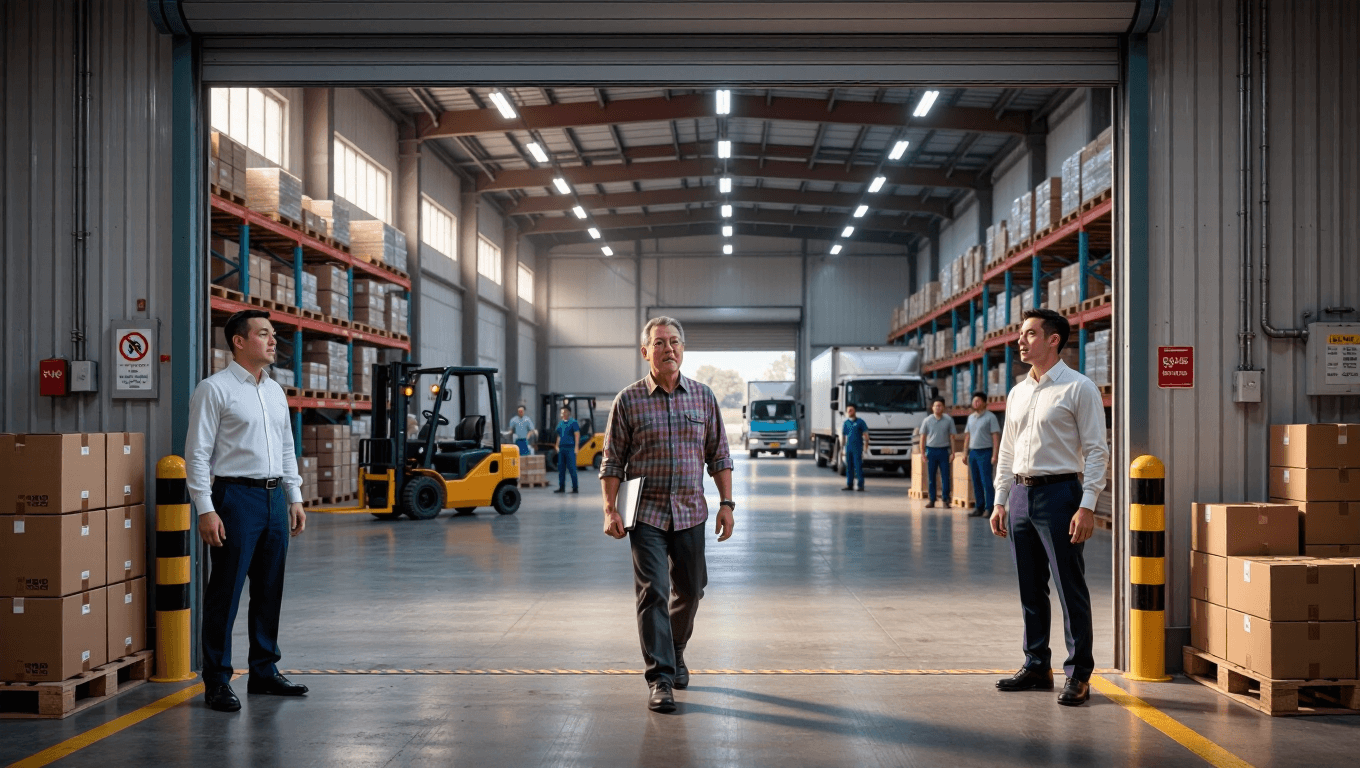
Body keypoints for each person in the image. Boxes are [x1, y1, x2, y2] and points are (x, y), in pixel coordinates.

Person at [600, 316, 735, 713]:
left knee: (692, 590)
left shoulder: (704, 397)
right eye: (659, 343)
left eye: (674, 342)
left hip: (692, 511)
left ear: (683, 349)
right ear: (646, 352)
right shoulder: (628, 400)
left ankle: (675, 648)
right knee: (653, 593)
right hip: (647, 513)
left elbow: (719, 454)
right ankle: (660, 677)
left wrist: (727, 504)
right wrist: (610, 509)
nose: (668, 349)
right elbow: (613, 461)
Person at [186, 309, 309, 713]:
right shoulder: (214, 389)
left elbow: (288, 447)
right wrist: (206, 509)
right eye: (264, 334)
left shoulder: (275, 391)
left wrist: (295, 496)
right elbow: (198, 455)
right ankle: (217, 681)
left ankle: (264, 671)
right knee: (226, 592)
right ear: (239, 341)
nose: (273, 341)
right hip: (235, 499)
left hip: (274, 500)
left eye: (273, 335)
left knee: (269, 589)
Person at [991, 308, 1108, 707]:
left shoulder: (1079, 388)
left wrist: (1087, 505)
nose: (1020, 341)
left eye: (1029, 334)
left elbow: (1096, 452)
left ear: (1053, 339)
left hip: (1061, 496)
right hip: (1021, 496)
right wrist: (1000, 499)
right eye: (1021, 335)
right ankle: (1037, 664)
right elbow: (1007, 449)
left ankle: (1078, 674)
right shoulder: (1018, 392)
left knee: (1069, 586)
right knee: (1030, 587)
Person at [964, 392, 1002, 518]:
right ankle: (978, 507)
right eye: (974, 401)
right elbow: (967, 436)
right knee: (975, 481)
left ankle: (989, 507)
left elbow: (995, 436)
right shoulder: (971, 418)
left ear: (985, 403)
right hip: (973, 452)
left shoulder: (990, 417)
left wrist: (995, 455)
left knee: (986, 481)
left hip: (985, 452)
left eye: (979, 401)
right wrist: (965, 453)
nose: (976, 403)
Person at [917, 397, 956, 509]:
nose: (938, 408)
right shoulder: (927, 420)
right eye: (936, 406)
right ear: (932, 407)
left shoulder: (948, 420)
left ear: (943, 407)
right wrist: (923, 452)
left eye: (940, 406)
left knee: (945, 476)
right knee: (931, 477)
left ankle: (945, 499)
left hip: (944, 450)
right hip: (931, 450)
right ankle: (932, 500)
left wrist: (953, 452)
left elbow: (952, 437)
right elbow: (922, 437)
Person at [841, 405, 869, 492]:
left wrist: (865, 447)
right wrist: (842, 448)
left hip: (857, 448)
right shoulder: (846, 423)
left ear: (855, 411)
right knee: (849, 467)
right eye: (848, 410)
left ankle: (860, 485)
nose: (849, 411)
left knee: (858, 466)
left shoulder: (860, 422)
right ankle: (849, 484)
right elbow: (844, 436)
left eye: (851, 410)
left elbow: (866, 435)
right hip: (848, 448)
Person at [554, 406, 581, 493]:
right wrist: (556, 445)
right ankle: (561, 487)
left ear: (569, 412)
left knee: (572, 468)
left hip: (570, 448)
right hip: (562, 448)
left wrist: (576, 447)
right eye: (561, 412)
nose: (563, 414)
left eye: (564, 412)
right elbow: (559, 435)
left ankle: (575, 488)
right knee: (561, 468)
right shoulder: (560, 424)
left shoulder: (573, 422)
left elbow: (577, 435)